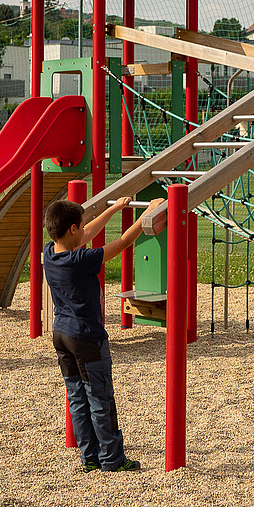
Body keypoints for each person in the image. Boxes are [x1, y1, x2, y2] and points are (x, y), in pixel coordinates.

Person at [43, 194, 164, 473]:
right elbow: (122, 243)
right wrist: (149, 212)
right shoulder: (80, 260)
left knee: (77, 397)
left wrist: (113, 209)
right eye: (81, 226)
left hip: (61, 334)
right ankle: (113, 459)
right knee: (100, 398)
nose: (85, 231)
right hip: (86, 337)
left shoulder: (52, 252)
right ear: (73, 229)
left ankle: (90, 458)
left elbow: (84, 234)